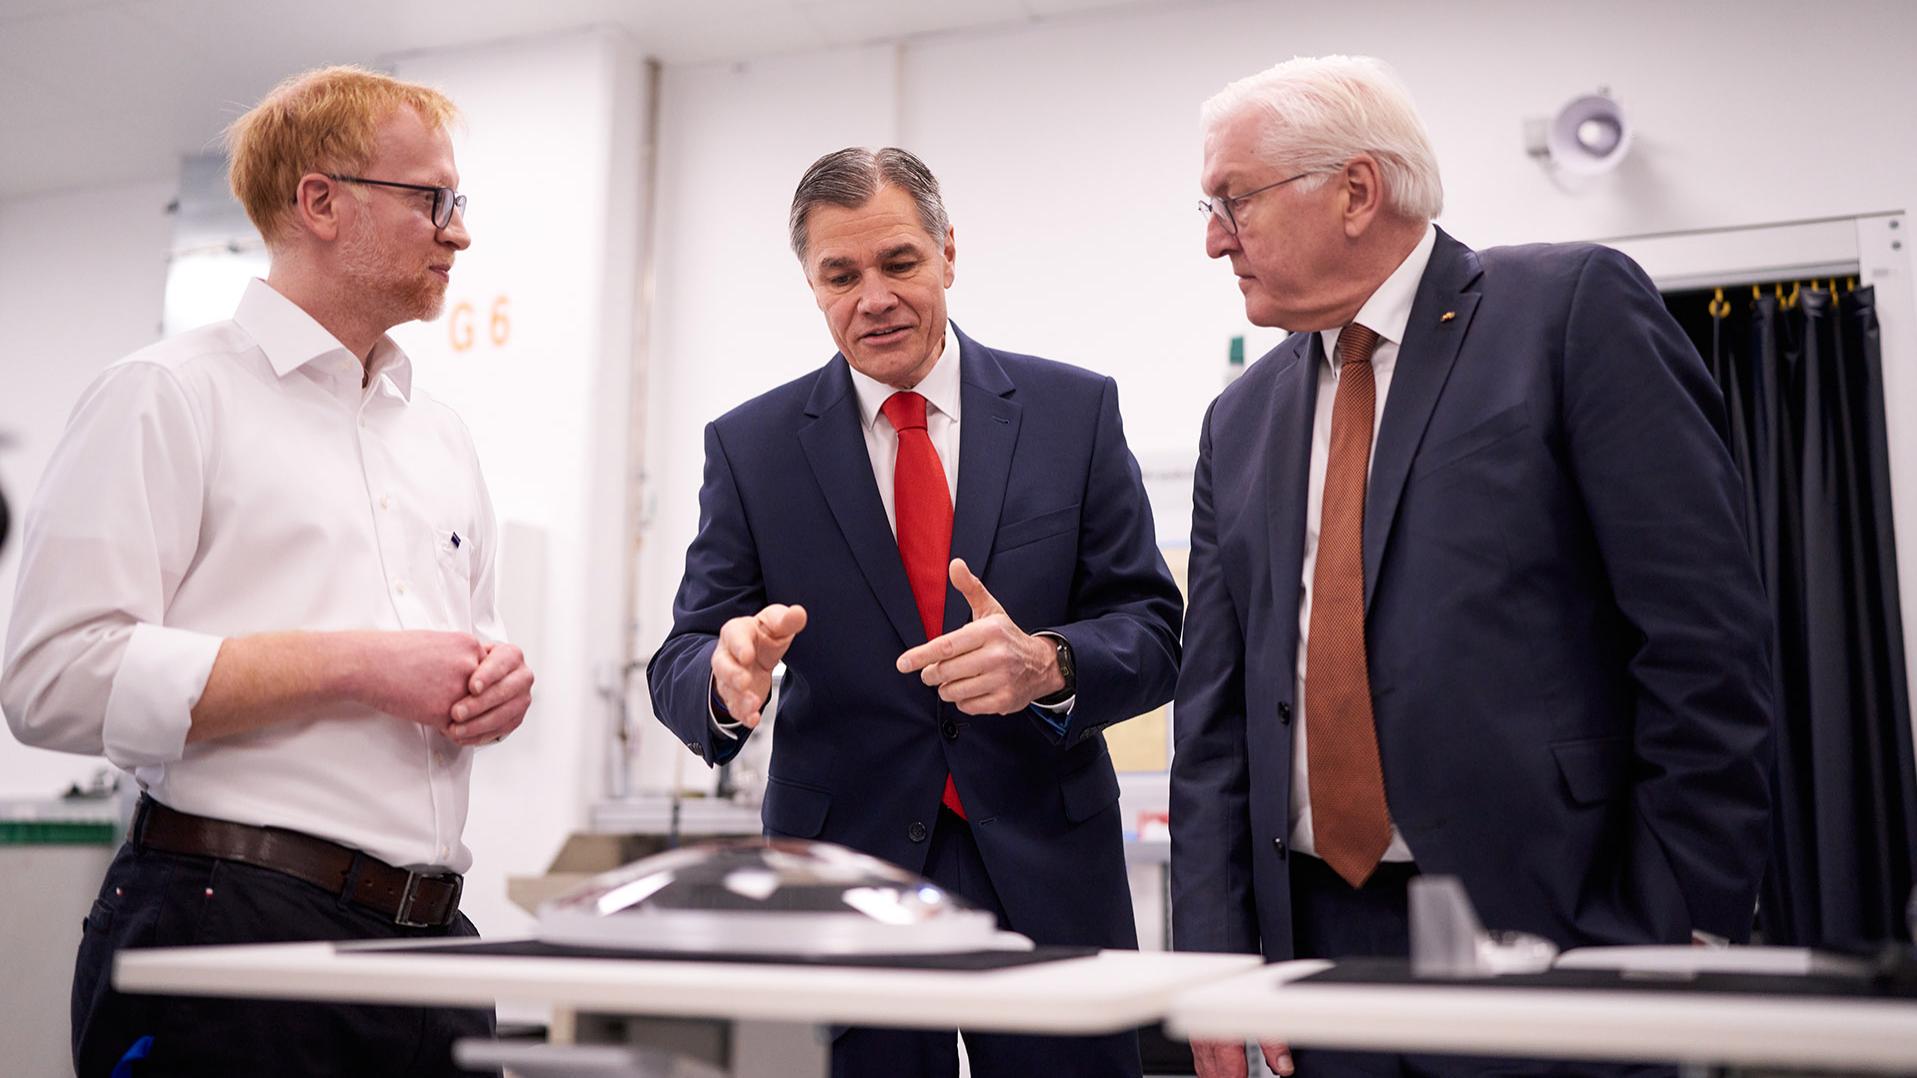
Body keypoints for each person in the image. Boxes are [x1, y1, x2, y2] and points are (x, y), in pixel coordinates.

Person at [1169, 55, 1775, 1078]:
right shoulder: (1239, 421)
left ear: (1357, 190)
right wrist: (1215, 958)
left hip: (1564, 929)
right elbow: (1217, 721)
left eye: (1233, 200)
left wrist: (1677, 928)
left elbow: (1702, 645)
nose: (1215, 237)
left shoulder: (1568, 312)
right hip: (1317, 956)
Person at [1, 65, 532, 1077]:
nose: (457, 232)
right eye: (432, 200)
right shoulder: (166, 395)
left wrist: (493, 675)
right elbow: (50, 679)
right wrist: (357, 667)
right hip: (229, 929)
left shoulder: (442, 438)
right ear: (321, 202)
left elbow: (470, 629)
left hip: (431, 947)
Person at [648, 146, 1182, 1078]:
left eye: (898, 263)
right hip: (846, 874)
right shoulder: (752, 447)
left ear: (946, 251)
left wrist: (1050, 664)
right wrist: (727, 679)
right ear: (812, 286)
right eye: (839, 275)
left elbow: (1152, 625)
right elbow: (686, 649)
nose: (873, 297)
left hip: (1047, 852)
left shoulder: (1072, 411)